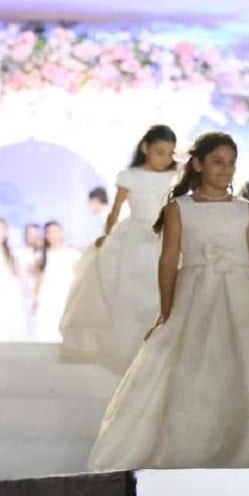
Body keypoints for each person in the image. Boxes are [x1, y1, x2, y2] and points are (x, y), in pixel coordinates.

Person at [88, 132, 249, 470]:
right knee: (197, 368)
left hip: (242, 296)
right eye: (218, 162)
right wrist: (166, 310)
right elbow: (168, 261)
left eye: (231, 163)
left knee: (246, 365)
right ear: (198, 164)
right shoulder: (179, 208)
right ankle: (193, 447)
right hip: (196, 295)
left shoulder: (245, 209)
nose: (226, 169)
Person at [60, 125, 177, 372]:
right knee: (127, 290)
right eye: (159, 152)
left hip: (162, 234)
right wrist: (106, 235)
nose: (165, 158)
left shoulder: (172, 176)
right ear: (146, 148)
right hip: (133, 236)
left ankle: (153, 348)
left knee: (157, 290)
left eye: (169, 153)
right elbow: (114, 211)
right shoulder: (130, 176)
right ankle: (124, 347)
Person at [32, 221, 81, 341]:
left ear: (62, 233)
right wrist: (35, 297)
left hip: (66, 297)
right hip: (47, 299)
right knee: (46, 331)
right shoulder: (41, 256)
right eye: (49, 232)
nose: (53, 235)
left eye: (56, 231)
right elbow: (38, 279)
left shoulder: (72, 253)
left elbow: (79, 277)